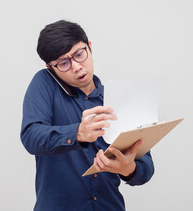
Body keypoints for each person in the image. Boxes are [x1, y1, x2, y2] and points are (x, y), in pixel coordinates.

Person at [21, 20, 154, 211]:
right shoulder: (44, 83)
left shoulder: (116, 99)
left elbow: (146, 167)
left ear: (89, 47)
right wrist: (77, 133)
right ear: (51, 68)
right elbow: (31, 136)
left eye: (79, 54)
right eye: (63, 63)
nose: (76, 67)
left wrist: (129, 169)